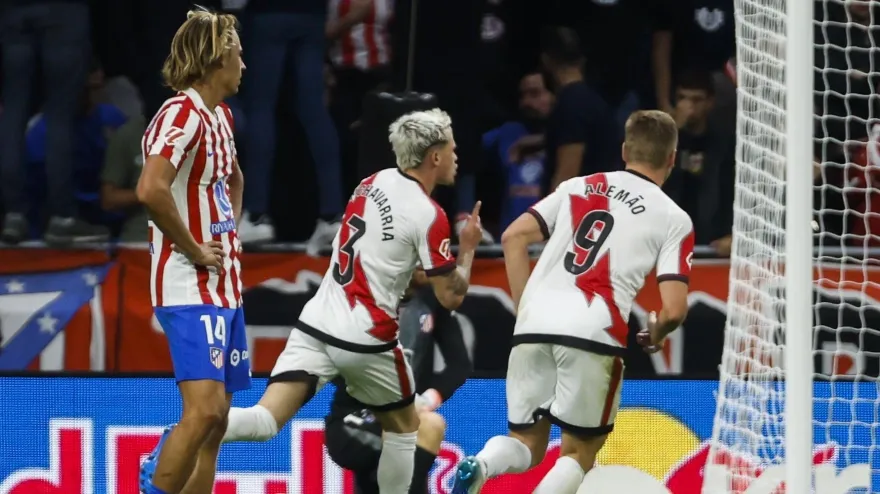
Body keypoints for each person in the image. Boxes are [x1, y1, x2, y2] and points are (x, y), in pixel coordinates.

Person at [194, 109, 482, 494]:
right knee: (407, 429)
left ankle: (181, 436)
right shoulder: (430, 214)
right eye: (452, 148)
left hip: (317, 322)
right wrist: (467, 252)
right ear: (434, 156)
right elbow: (449, 295)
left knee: (265, 420)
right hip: (366, 335)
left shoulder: (369, 183)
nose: (456, 156)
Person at [452, 110, 694, 494]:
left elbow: (514, 237)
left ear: (624, 150)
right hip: (594, 329)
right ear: (671, 158)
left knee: (526, 443)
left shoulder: (577, 187)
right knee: (579, 453)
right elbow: (675, 309)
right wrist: (658, 330)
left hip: (535, 324)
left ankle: (481, 463)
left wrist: (526, 308)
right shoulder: (673, 217)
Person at [135, 9, 249, 494]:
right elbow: (150, 189)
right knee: (202, 410)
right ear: (216, 59)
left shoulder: (219, 116)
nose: (244, 65)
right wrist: (196, 249)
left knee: (217, 418)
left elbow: (233, 176)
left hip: (225, 283)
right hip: (187, 280)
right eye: (239, 55)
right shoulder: (179, 115)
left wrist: (229, 235)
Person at [324, 284, 472, 494]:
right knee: (416, 433)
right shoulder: (361, 297)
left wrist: (426, 400)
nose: (425, 260)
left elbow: (459, 365)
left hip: (404, 416)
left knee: (427, 428)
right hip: (351, 420)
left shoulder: (432, 300)